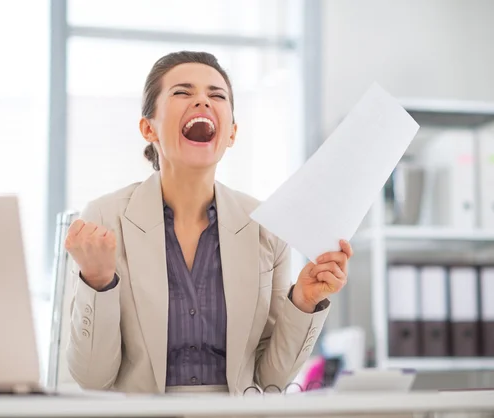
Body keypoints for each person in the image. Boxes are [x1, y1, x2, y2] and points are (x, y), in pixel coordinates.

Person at [65, 51, 353, 395]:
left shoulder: (266, 226)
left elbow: (271, 379)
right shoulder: (103, 219)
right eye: (182, 93)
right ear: (148, 127)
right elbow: (93, 379)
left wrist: (304, 301)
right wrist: (97, 282)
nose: (202, 100)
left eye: (216, 95)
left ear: (231, 133)